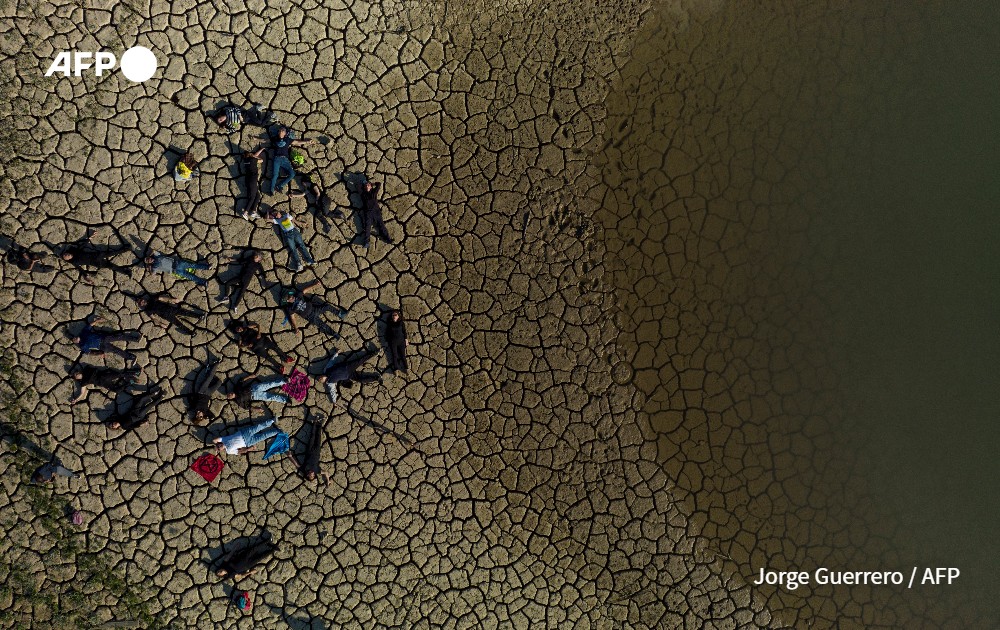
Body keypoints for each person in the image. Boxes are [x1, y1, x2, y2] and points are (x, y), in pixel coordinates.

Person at [316, 344, 381, 404]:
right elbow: (332, 392)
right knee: (361, 380)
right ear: (324, 381)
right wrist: (334, 401)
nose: (321, 377)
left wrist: (336, 353)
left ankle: (374, 353)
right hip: (349, 375)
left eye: (320, 376)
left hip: (348, 366)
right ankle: (376, 378)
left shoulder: (326, 370)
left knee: (360, 360)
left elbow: (331, 361)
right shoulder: (330, 383)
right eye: (321, 379)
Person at [60, 228, 131, 283]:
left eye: (66, 254)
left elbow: (83, 244)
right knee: (111, 266)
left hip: (97, 255)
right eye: (66, 257)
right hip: (96, 263)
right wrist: (87, 278)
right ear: (68, 259)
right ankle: (126, 272)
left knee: (113, 253)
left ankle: (127, 248)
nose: (67, 255)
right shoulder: (74, 262)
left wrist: (91, 236)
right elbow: (81, 270)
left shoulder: (75, 251)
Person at [281, 281, 346, 337]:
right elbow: (293, 318)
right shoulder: (289, 308)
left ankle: (340, 314)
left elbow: (305, 290)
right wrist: (296, 328)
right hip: (310, 317)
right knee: (322, 325)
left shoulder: (297, 295)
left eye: (290, 296)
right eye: (289, 298)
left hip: (314, 309)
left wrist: (315, 285)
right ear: (287, 301)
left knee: (327, 306)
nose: (291, 297)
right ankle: (335, 334)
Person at [217, 249, 267, 316]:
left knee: (241, 293)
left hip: (246, 281)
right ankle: (226, 297)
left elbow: (262, 272)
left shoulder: (258, 265)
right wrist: (232, 260)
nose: (255, 255)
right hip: (240, 277)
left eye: (256, 255)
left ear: (259, 258)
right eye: (255, 254)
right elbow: (241, 261)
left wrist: (265, 279)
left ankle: (235, 306)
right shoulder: (249, 259)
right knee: (228, 283)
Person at [73, 317, 142, 363]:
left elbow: (90, 325)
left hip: (103, 337)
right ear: (76, 342)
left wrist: (97, 321)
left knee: (119, 337)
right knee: (117, 350)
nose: (75, 339)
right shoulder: (82, 346)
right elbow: (90, 352)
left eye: (74, 337)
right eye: (74, 340)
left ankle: (136, 339)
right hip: (102, 347)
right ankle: (132, 357)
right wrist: (99, 353)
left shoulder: (83, 333)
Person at [269, 126, 314, 194]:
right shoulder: (275, 139)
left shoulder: (287, 139)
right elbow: (265, 140)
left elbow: (297, 142)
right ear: (278, 132)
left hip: (285, 159)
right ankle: (272, 190)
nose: (281, 132)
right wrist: (256, 139)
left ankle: (280, 186)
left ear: (285, 133)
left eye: (282, 131)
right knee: (275, 175)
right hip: (277, 159)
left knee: (292, 174)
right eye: (280, 130)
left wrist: (307, 141)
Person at [267, 208, 314, 272]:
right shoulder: (277, 221)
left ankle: (309, 260)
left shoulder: (287, 215)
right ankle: (299, 264)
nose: (276, 215)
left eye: (276, 213)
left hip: (294, 231)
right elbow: (267, 219)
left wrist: (302, 223)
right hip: (288, 235)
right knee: (293, 249)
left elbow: (294, 221)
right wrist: (268, 211)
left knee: (302, 245)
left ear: (279, 212)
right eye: (275, 215)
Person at [136, 293, 206, 333]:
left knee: (185, 312)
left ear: (143, 299)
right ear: (140, 305)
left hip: (170, 308)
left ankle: (200, 316)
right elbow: (153, 318)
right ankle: (190, 332)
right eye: (140, 302)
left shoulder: (152, 299)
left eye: (141, 300)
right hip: (166, 316)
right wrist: (161, 324)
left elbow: (162, 298)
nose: (142, 301)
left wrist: (172, 299)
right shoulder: (148, 310)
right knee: (178, 324)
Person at [70, 365, 141, 404]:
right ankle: (130, 382)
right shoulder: (83, 382)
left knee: (120, 374)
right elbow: (82, 393)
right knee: (117, 390)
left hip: (104, 375)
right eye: (75, 375)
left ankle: (135, 372)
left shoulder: (86, 368)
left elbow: (95, 368)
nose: (77, 374)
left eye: (76, 373)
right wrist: (76, 400)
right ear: (77, 378)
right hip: (103, 383)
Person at [213, 418, 283, 455]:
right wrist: (249, 449)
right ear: (221, 451)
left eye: (218, 446)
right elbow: (239, 452)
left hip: (245, 433)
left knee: (259, 427)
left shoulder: (223, 440)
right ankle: (277, 430)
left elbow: (214, 440)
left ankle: (272, 420)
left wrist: (215, 444)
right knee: (264, 436)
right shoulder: (229, 451)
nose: (219, 447)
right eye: (219, 449)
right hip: (248, 442)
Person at [296, 413, 330, 484]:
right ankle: (320, 423)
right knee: (318, 437)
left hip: (309, 449)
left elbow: (296, 465)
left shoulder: (304, 469)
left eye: (311, 476)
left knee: (312, 436)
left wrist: (289, 456)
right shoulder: (317, 470)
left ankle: (315, 422)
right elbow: (326, 473)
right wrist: (328, 481)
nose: (312, 474)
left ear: (308, 475)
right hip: (317, 451)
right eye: (313, 475)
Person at [358, 180, 393, 248]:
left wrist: (372, 183)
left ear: (371, 186)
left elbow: (379, 184)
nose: (367, 186)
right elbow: (358, 186)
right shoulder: (363, 193)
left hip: (376, 212)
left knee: (381, 226)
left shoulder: (374, 192)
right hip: (368, 213)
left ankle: (388, 239)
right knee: (367, 227)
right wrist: (364, 184)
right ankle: (366, 242)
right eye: (366, 185)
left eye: (368, 185)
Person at [226, 374, 291, 410]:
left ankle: (284, 381)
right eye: (230, 395)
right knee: (271, 397)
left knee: (270, 384)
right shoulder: (238, 401)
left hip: (254, 388)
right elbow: (246, 407)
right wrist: (256, 408)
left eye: (230, 393)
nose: (231, 394)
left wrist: (250, 376)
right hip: (255, 396)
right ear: (231, 398)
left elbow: (241, 381)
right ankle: (285, 400)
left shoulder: (236, 388)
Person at [144, 251, 211, 286]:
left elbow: (153, 250)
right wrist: (149, 267)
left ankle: (207, 267)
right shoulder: (154, 266)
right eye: (147, 261)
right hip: (176, 271)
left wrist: (150, 255)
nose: (148, 259)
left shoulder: (157, 256)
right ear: (148, 263)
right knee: (191, 277)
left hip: (178, 263)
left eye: (148, 258)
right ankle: (204, 282)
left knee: (193, 265)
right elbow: (152, 274)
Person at [189, 357, 222, 424]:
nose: (201, 416)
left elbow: (191, 398)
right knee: (219, 382)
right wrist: (207, 417)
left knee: (210, 377)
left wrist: (197, 395)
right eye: (201, 417)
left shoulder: (194, 407)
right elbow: (212, 416)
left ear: (196, 415)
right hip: (208, 393)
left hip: (201, 390)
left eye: (199, 416)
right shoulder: (205, 411)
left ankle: (216, 363)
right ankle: (208, 371)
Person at [240, 148, 266, 220]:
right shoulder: (253, 159)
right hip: (252, 181)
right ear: (250, 154)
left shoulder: (245, 161)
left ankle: (253, 211)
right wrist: (255, 156)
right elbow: (261, 160)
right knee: (252, 197)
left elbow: (254, 156)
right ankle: (245, 212)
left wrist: (261, 150)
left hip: (247, 180)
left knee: (257, 196)